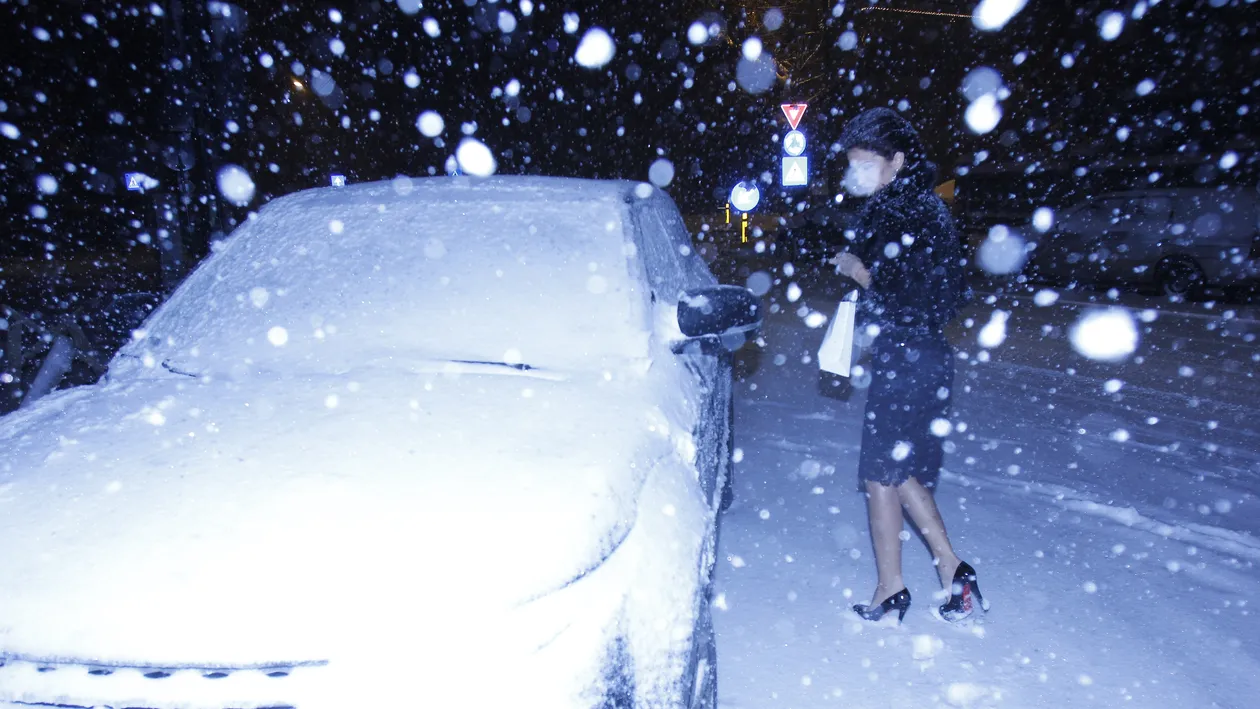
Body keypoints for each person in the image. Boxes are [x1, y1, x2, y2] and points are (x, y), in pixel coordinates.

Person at [827, 107, 984, 624]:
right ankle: (935, 577)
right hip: (921, 356)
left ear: (895, 161)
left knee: (881, 473)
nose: (857, 174)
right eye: (852, 163)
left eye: (866, 163)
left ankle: (911, 581)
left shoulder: (905, 214)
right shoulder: (918, 209)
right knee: (895, 471)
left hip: (909, 354)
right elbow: (949, 292)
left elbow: (917, 298)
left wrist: (860, 272)